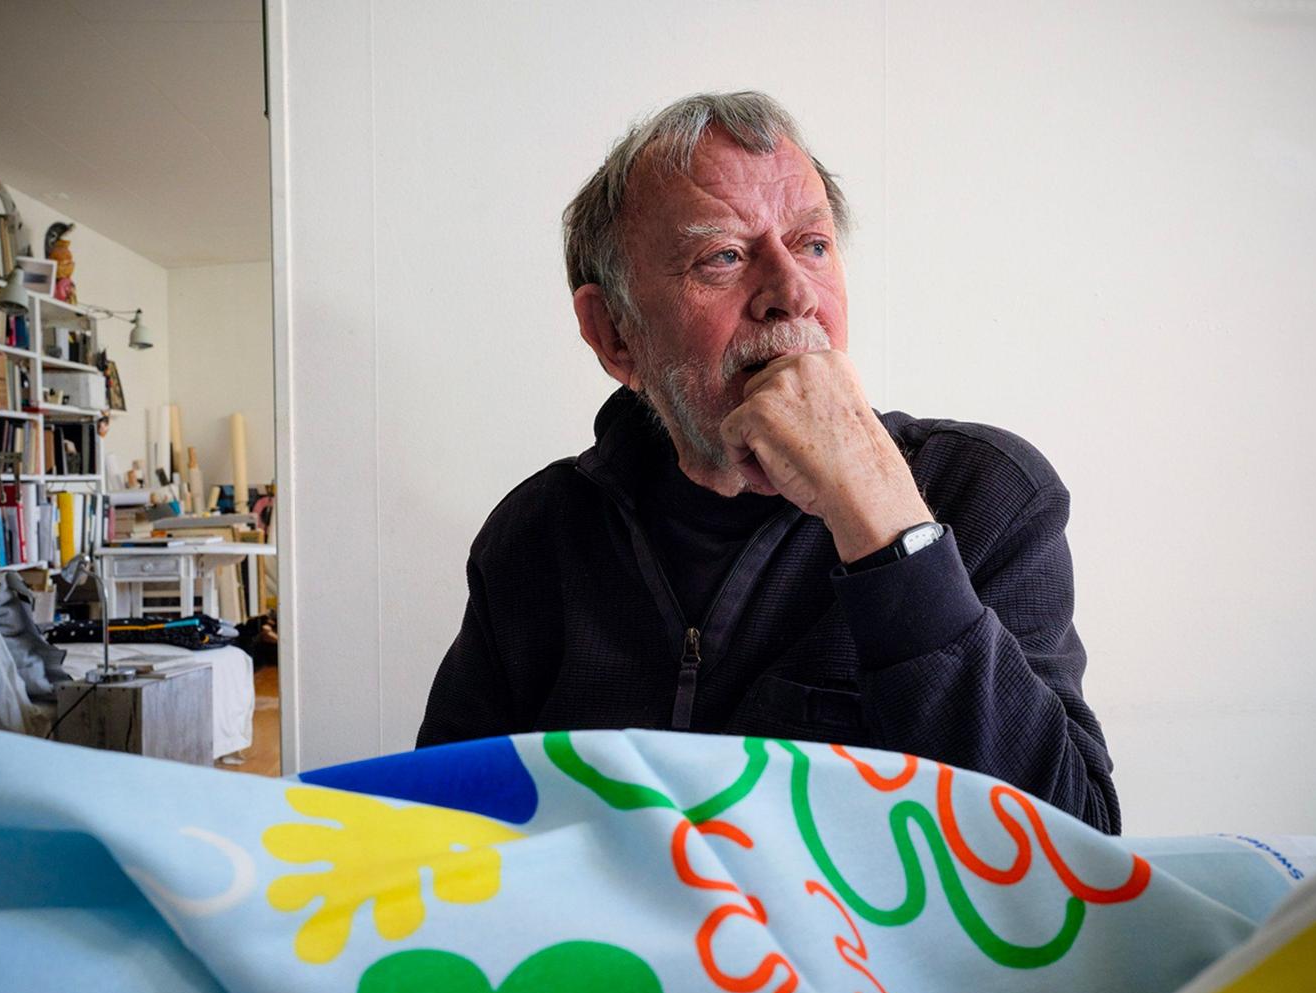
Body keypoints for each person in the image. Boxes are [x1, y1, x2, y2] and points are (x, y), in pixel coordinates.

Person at [416, 92, 1120, 834]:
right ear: (616, 334)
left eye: (813, 245)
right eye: (722, 257)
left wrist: (884, 521)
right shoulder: (536, 536)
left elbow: (1073, 856)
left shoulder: (987, 495)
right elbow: (440, 834)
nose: (793, 295)